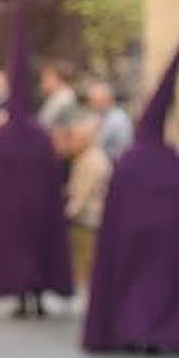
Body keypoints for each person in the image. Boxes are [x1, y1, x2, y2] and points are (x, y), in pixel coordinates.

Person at [81, 32, 179, 354]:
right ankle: (159, 333)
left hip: (132, 241)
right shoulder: (176, 163)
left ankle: (136, 332)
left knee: (136, 284)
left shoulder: (129, 161)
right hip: (166, 242)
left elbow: (116, 210)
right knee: (161, 284)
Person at [0, 5, 74, 318]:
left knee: (20, 249)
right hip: (37, 208)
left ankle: (24, 298)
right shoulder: (40, 135)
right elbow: (54, 172)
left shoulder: (1, 137)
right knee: (35, 247)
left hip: (13, 210)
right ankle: (37, 297)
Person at [62, 112, 112, 289]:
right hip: (88, 221)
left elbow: (81, 197)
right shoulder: (85, 158)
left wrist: (64, 218)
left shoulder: (92, 161)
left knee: (88, 270)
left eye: (73, 138)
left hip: (89, 222)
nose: (70, 143)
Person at [86, 80, 134, 161]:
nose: (92, 106)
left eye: (95, 102)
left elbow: (94, 144)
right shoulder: (102, 115)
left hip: (117, 163)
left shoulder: (116, 119)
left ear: (107, 100)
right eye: (91, 101)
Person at [37, 62, 78, 137]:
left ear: (54, 78)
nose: (42, 83)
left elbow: (44, 124)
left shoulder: (64, 99)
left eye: (44, 78)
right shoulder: (56, 96)